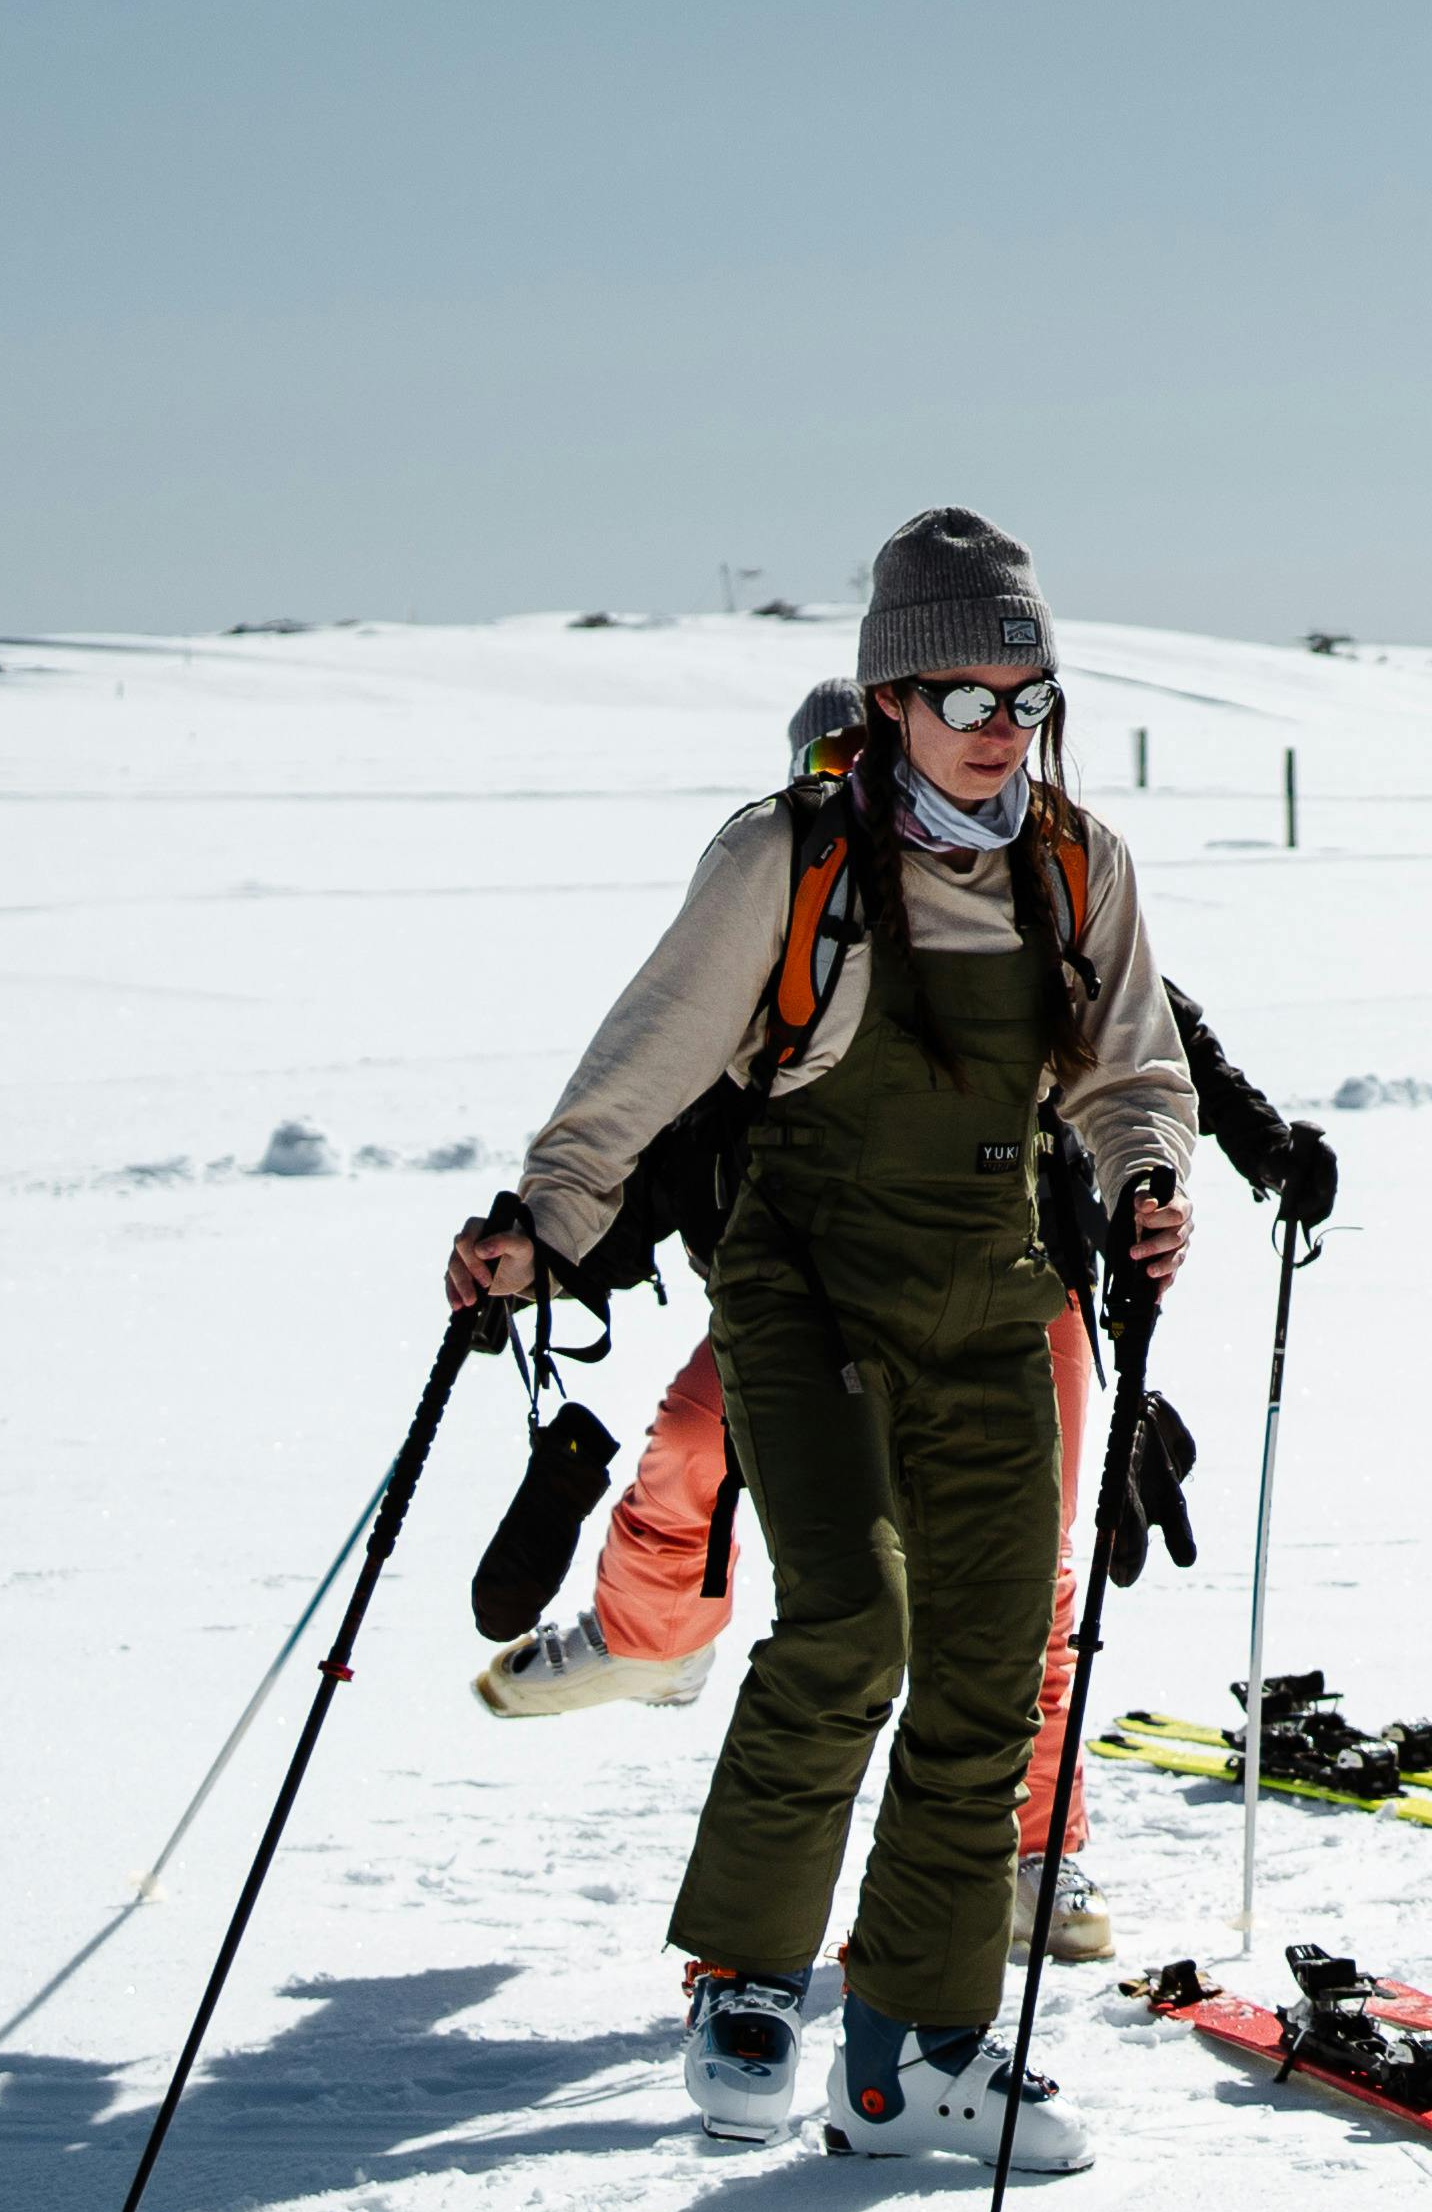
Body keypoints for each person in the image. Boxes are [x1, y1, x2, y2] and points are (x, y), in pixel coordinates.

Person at [448, 512, 1196, 2168]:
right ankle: (743, 1978)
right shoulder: (781, 859)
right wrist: (543, 1228)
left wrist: (1146, 1173)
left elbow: (1131, 1068)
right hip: (802, 1279)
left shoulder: (1077, 864)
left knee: (994, 1659)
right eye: (968, 696)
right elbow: (640, 1071)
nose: (1002, 730)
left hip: (993, 1283)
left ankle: (914, 2049)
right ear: (892, 699)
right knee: (849, 1621)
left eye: (1027, 696)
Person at [476, 683, 1339, 1977]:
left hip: (1006, 1274)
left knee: (1026, 1578)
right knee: (692, 1451)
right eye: (834, 769)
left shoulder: (1034, 896)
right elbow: (654, 1137)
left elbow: (1155, 1043)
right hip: (804, 1293)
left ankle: (1037, 1845)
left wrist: (1263, 1146)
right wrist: (542, 1258)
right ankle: (648, 1639)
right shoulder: (782, 936)